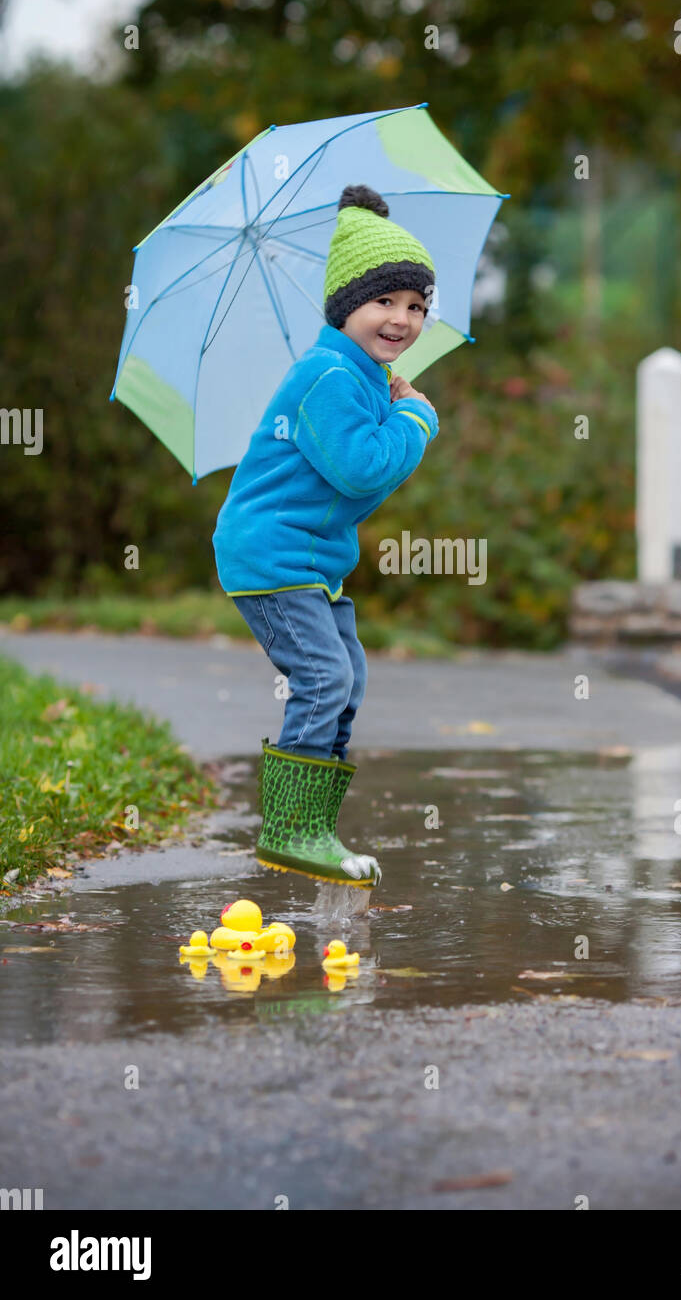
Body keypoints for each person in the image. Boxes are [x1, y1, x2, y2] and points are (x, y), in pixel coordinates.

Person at [212, 184, 439, 887]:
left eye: (417, 307)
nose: (402, 319)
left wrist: (394, 402)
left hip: (310, 560)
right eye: (385, 303)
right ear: (347, 307)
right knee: (324, 675)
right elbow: (360, 469)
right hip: (270, 553)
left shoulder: (362, 375)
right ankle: (291, 831)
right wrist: (416, 422)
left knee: (348, 676)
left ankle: (314, 826)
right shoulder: (326, 377)